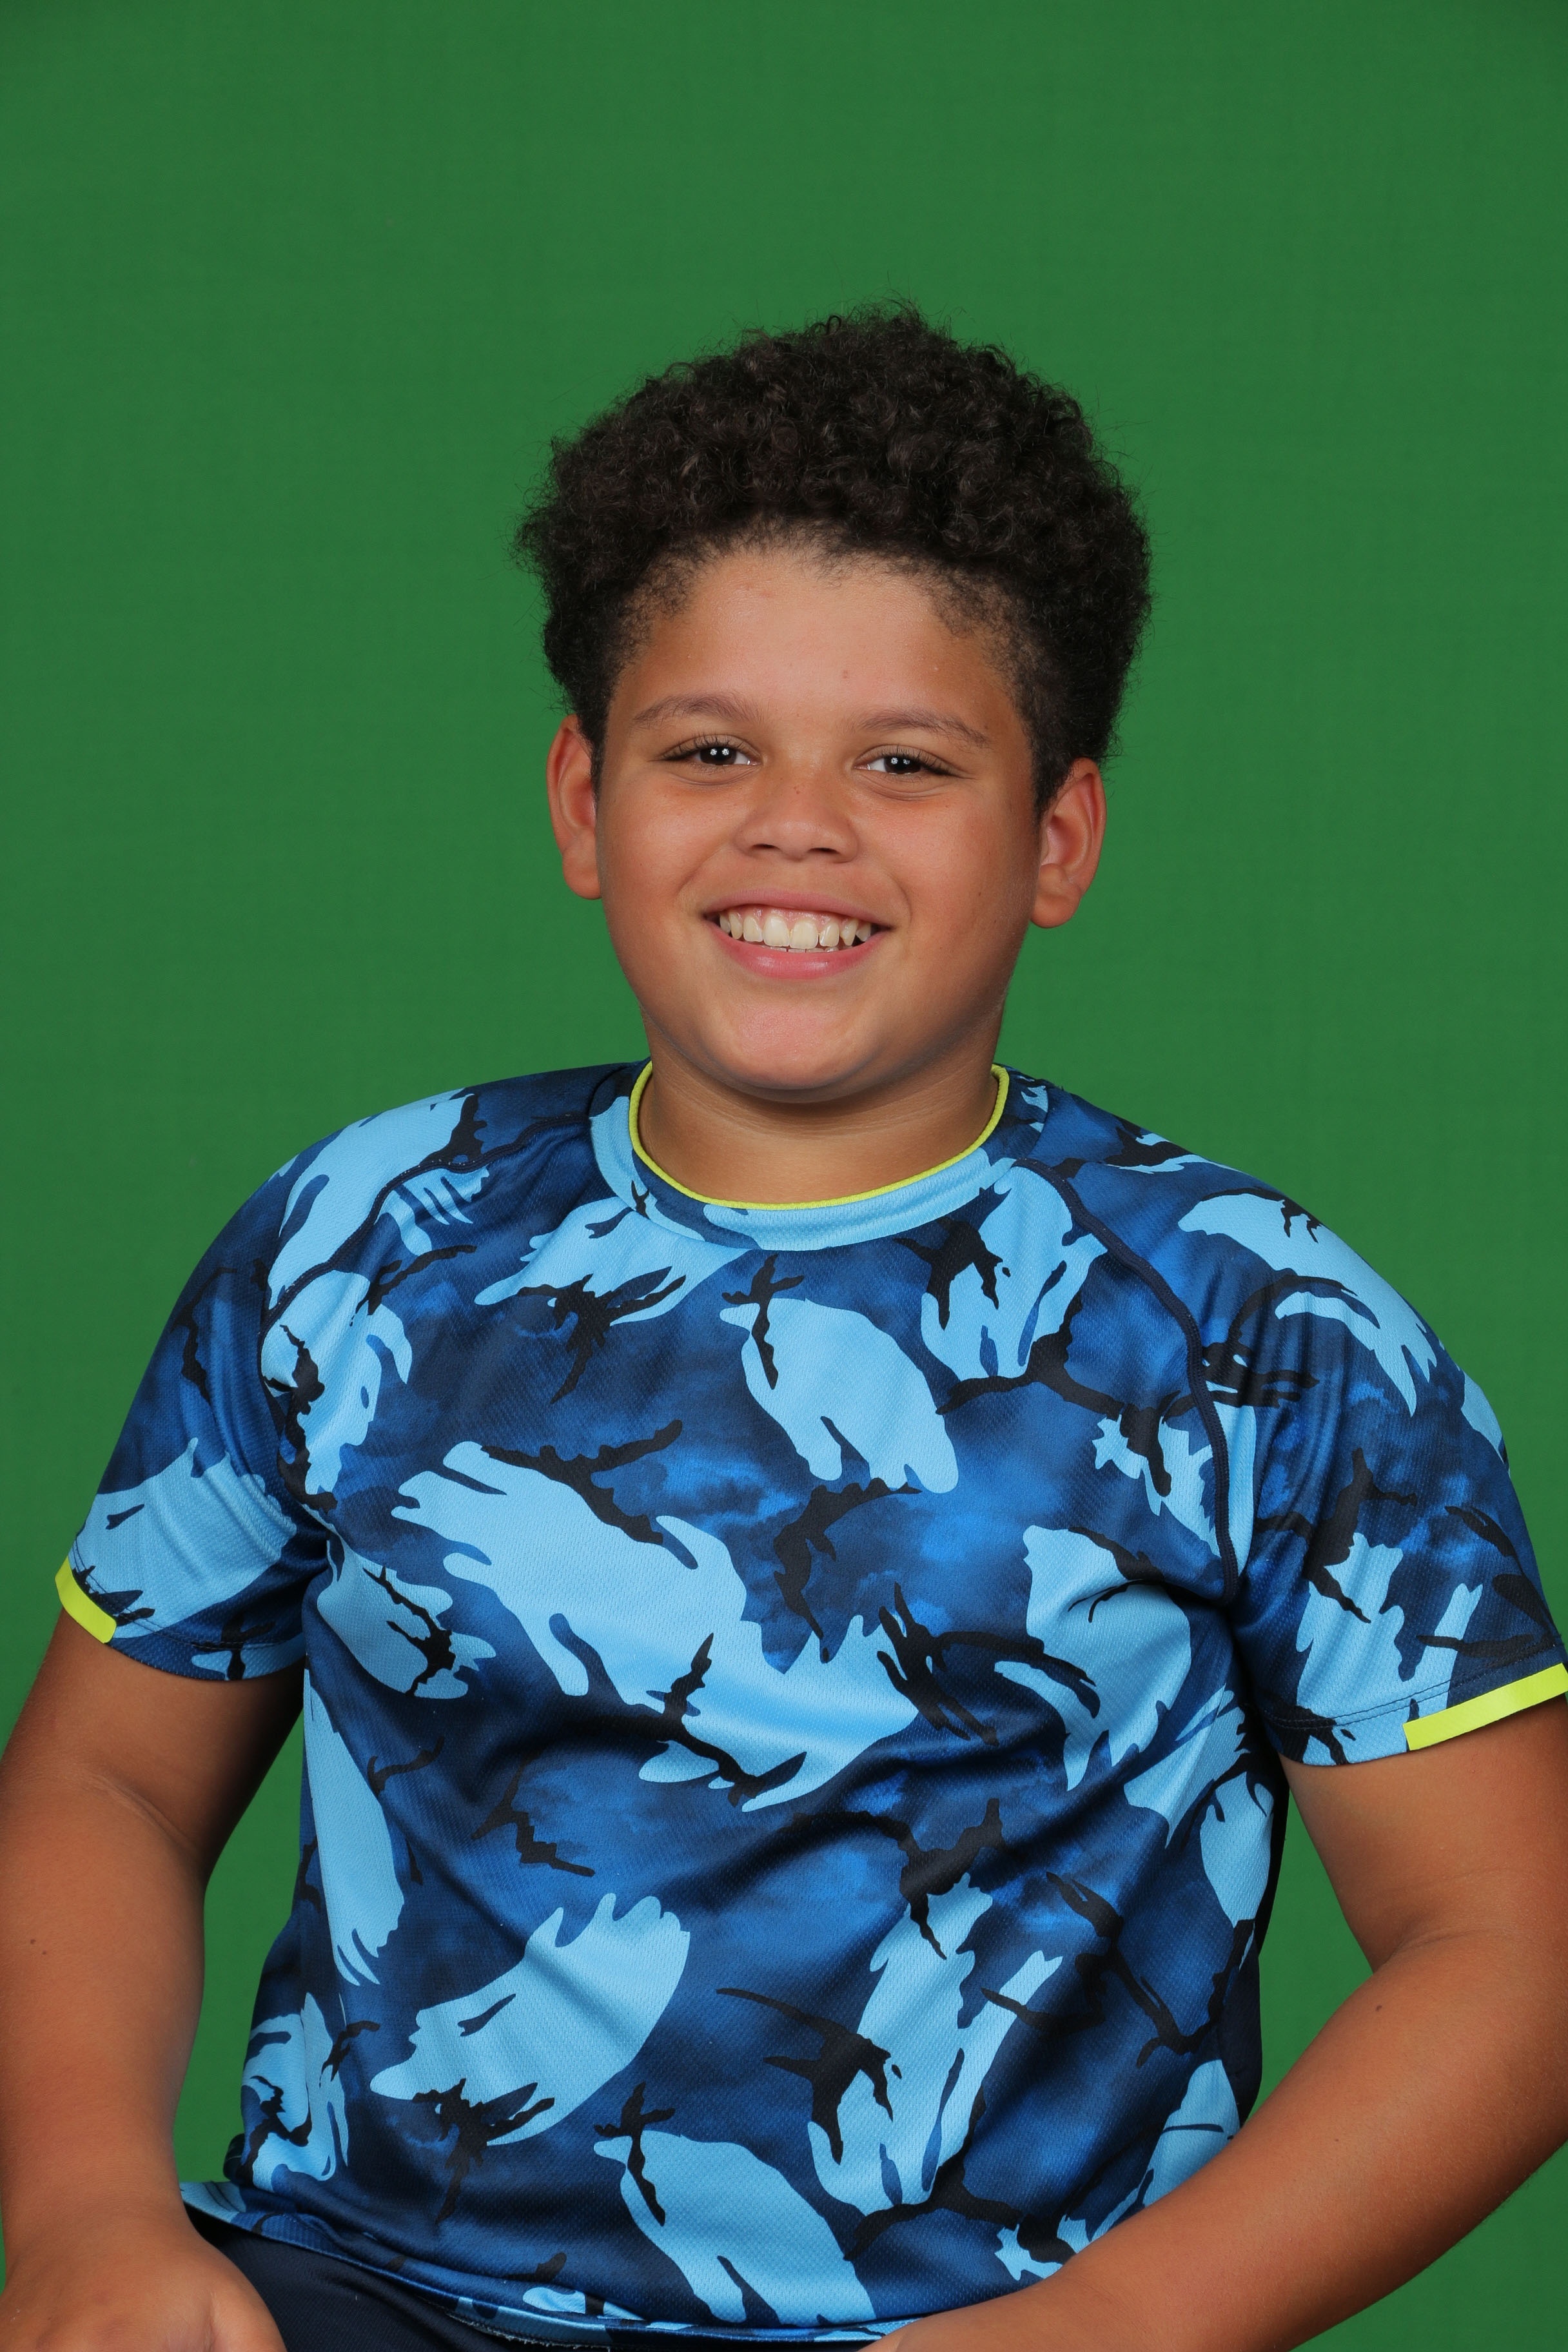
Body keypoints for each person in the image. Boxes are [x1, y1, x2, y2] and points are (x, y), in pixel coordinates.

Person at [2, 306, 1565, 2352]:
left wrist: (1116, 2331)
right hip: (351, 2294)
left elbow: (1511, 1946)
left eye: (904, 763)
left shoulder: (1262, 1332)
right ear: (584, 802)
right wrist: (84, 2217)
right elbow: (106, 1783)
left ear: (1059, 837)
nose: (796, 826)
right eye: (709, 751)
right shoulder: (360, 1240)